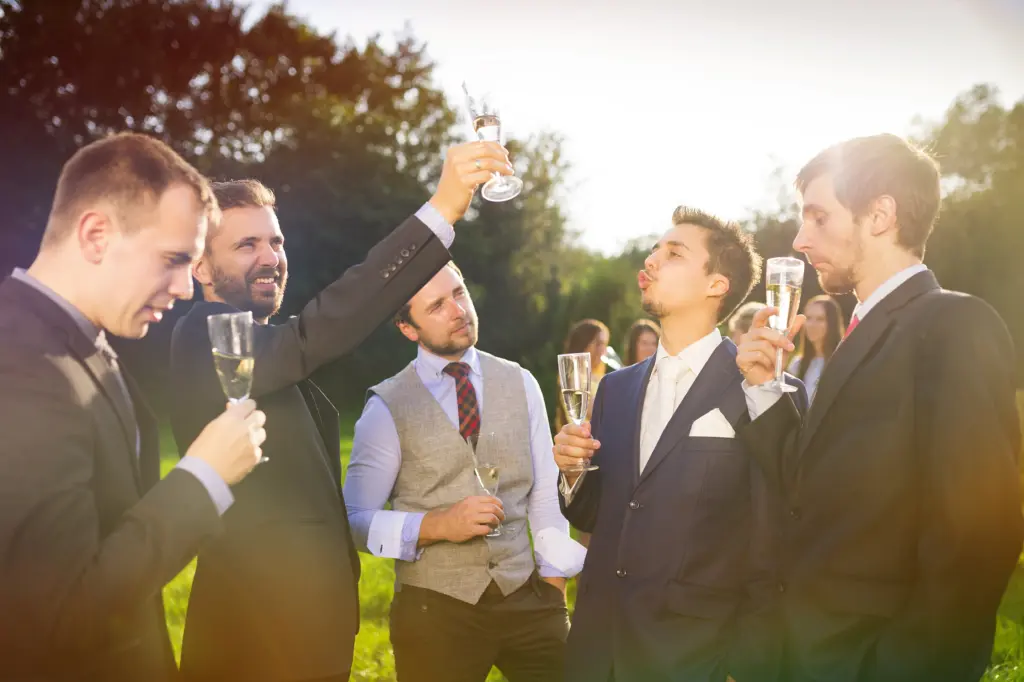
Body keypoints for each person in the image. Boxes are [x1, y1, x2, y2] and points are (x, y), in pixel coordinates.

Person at [167, 141, 512, 682]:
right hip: (253, 636)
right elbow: (320, 330)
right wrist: (442, 210)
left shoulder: (265, 349)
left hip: (312, 631)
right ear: (201, 268)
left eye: (276, 242)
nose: (269, 257)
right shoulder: (202, 338)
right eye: (246, 245)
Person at [736, 133, 1023, 682]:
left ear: (880, 214)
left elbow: (978, 537)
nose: (799, 239)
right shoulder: (863, 333)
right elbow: (807, 484)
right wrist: (763, 387)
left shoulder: (952, 324)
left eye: (818, 217)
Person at [0, 132, 267, 682]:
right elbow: (60, 615)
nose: (186, 288)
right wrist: (202, 479)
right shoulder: (21, 364)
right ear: (96, 234)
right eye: (173, 259)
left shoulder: (82, 342)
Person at [552, 206, 803, 682]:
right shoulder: (615, 389)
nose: (652, 260)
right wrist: (571, 471)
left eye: (674, 253)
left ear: (716, 284)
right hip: (599, 650)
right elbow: (596, 516)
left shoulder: (762, 389)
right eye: (654, 249)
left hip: (696, 655)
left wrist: (745, 666)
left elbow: (776, 536)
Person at [344, 262, 582, 682]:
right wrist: (437, 525)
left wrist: (552, 585)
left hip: (528, 597)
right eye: (437, 305)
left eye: (459, 293)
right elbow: (354, 522)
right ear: (408, 328)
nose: (458, 310)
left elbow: (545, 492)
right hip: (434, 610)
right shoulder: (386, 406)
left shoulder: (520, 381)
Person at [786, 294, 844, 401]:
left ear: (832, 323)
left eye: (820, 319)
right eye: (808, 318)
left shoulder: (843, 363)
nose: (812, 324)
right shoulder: (797, 364)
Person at [555, 319, 611, 429]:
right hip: (587, 442)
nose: (603, 350)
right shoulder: (574, 378)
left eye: (605, 344)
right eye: (599, 344)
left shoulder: (598, 377)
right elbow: (598, 413)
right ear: (584, 343)